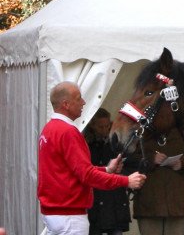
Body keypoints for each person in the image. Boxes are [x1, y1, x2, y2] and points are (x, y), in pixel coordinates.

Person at [38, 82, 146, 235]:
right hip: (70, 216)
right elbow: (86, 175)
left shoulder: (49, 128)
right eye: (79, 98)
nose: (83, 102)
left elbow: (73, 170)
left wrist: (107, 169)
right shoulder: (68, 132)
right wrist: (126, 181)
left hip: (54, 213)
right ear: (66, 104)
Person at [130, 127, 184, 235]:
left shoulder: (183, 131)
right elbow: (127, 160)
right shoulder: (140, 132)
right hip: (149, 203)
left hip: (177, 203)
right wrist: (150, 159)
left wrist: (182, 163)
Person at [85, 108, 131, 235]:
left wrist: (122, 169)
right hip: (96, 201)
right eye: (101, 127)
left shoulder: (117, 140)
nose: (105, 130)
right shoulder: (85, 143)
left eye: (107, 126)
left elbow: (132, 162)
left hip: (115, 199)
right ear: (92, 125)